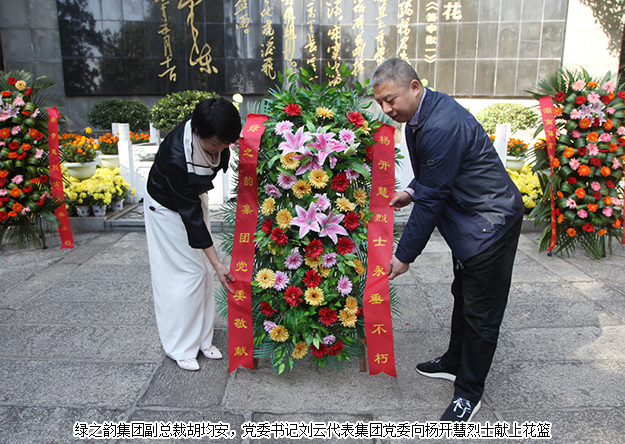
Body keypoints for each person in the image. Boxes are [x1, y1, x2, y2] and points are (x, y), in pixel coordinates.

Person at [371, 58, 524, 421]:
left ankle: (469, 392)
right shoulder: (420, 115)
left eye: (391, 100)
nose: (387, 109)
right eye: (380, 103)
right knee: (463, 295)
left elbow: (433, 198)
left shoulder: (440, 123)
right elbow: (433, 173)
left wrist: (404, 255)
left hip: (490, 224)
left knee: (482, 313)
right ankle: (455, 361)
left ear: (414, 87)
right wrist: (411, 190)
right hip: (470, 223)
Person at [144, 98, 241, 371]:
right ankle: (180, 346)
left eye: (225, 144)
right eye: (215, 145)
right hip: (166, 207)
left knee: (204, 274)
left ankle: (201, 339)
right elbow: (192, 219)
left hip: (192, 199)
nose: (220, 150)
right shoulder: (177, 156)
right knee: (190, 274)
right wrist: (218, 263)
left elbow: (195, 208)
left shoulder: (215, 132)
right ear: (198, 132)